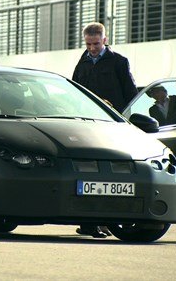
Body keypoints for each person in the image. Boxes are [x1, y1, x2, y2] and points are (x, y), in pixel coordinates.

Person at [72, 22, 138, 239]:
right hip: (86, 128)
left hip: (111, 129)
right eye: (88, 44)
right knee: (85, 176)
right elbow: (73, 93)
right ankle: (89, 224)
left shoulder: (119, 62)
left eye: (96, 44)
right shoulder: (81, 64)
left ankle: (104, 221)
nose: (91, 48)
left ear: (105, 40)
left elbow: (131, 96)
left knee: (108, 177)